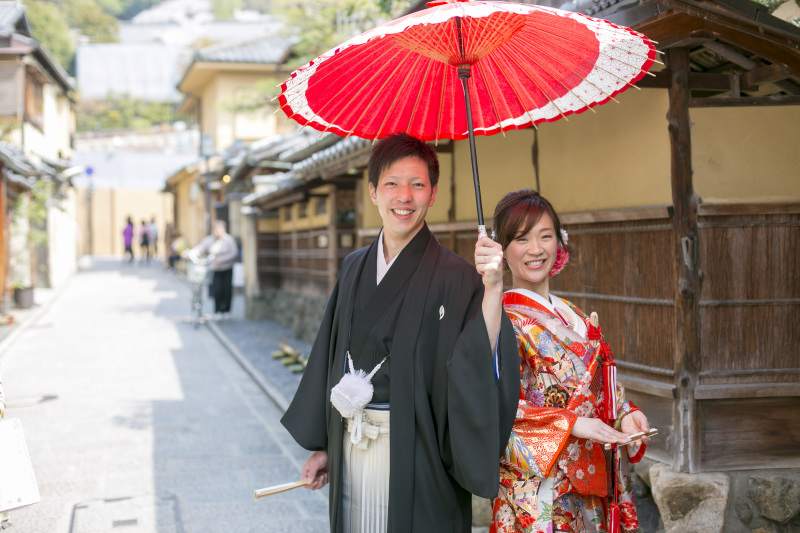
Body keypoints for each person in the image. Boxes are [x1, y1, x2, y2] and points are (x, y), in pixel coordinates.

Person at [280, 133, 520, 533]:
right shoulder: (353, 268)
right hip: (351, 445)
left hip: (421, 457)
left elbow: (477, 365)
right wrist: (325, 445)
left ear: (433, 193)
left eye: (417, 184)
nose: (404, 196)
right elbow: (329, 358)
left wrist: (493, 288)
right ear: (373, 192)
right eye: (392, 183)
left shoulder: (458, 277)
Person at [475, 190, 651, 533]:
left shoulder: (574, 315)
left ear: (560, 240)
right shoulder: (499, 318)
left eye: (545, 236)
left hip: (594, 478)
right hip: (543, 487)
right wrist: (571, 425)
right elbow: (494, 403)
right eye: (521, 239)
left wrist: (626, 414)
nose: (535, 249)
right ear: (502, 249)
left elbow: (599, 388)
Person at [189, 220, 238, 319]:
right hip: (215, 269)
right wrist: (190, 253)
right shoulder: (209, 240)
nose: (217, 232)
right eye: (215, 230)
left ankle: (226, 310)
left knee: (227, 289)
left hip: (227, 268)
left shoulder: (228, 239)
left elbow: (234, 253)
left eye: (219, 230)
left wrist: (222, 259)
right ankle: (217, 310)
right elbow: (200, 248)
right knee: (217, 290)